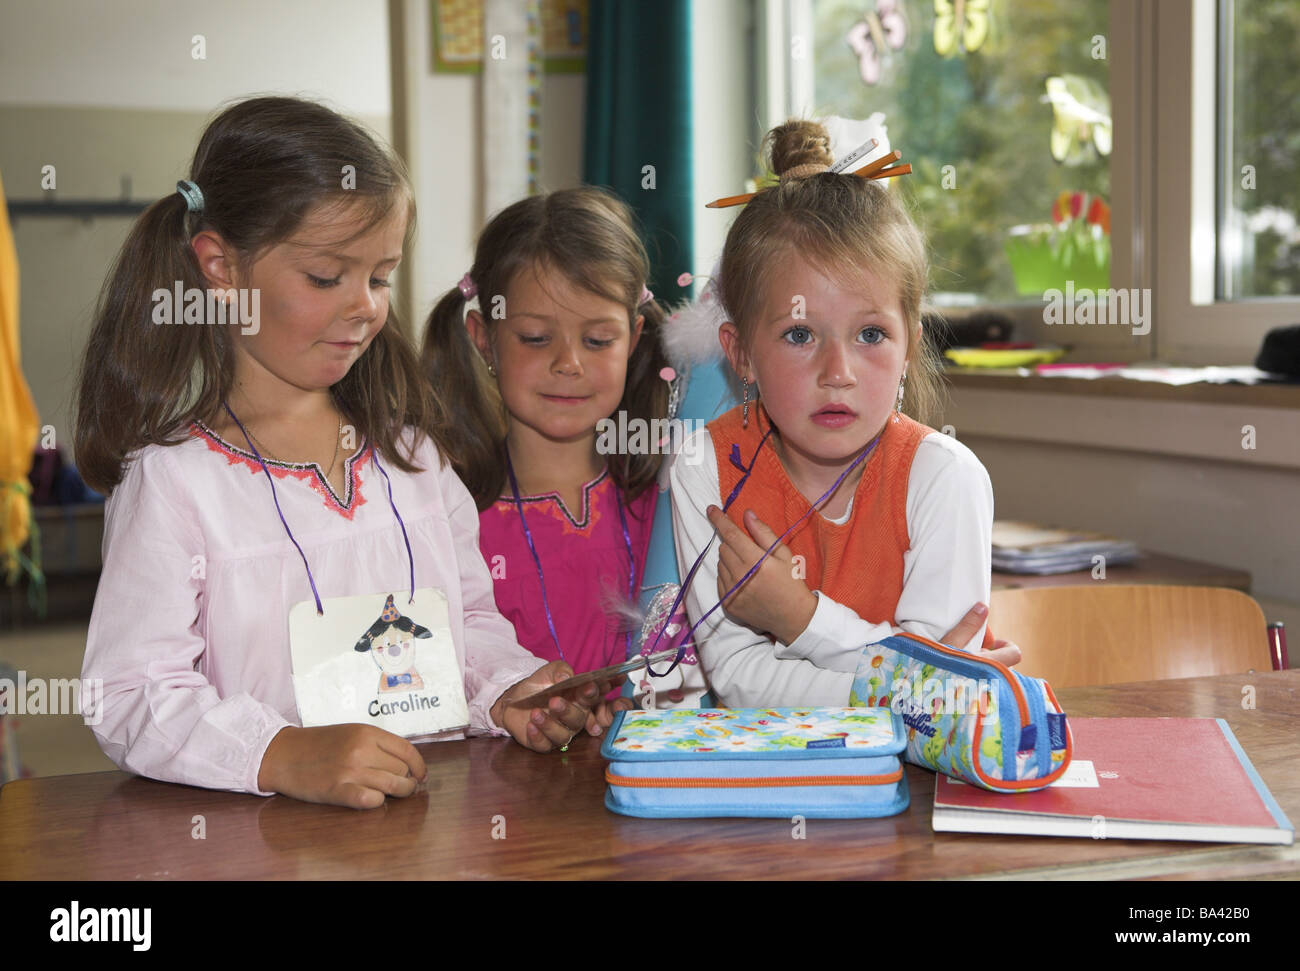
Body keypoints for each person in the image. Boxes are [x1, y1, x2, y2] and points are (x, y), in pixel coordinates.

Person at [78, 96, 620, 811]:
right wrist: (276, 753)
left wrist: (508, 691)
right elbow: (128, 693)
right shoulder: (176, 481)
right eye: (328, 277)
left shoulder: (415, 458)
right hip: (264, 844)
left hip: (430, 835)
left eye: (381, 276)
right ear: (220, 268)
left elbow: (472, 625)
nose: (365, 305)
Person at [670, 118, 1018, 708]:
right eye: (800, 334)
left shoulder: (945, 477)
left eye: (871, 334)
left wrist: (800, 618)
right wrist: (917, 682)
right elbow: (736, 682)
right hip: (761, 791)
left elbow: (939, 698)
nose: (839, 372)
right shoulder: (704, 467)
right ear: (741, 354)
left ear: (910, 345)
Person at [423, 188, 670, 685]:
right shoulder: (445, 516)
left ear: (634, 338)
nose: (568, 363)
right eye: (536, 338)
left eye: (599, 340)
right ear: (483, 337)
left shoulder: (667, 499)